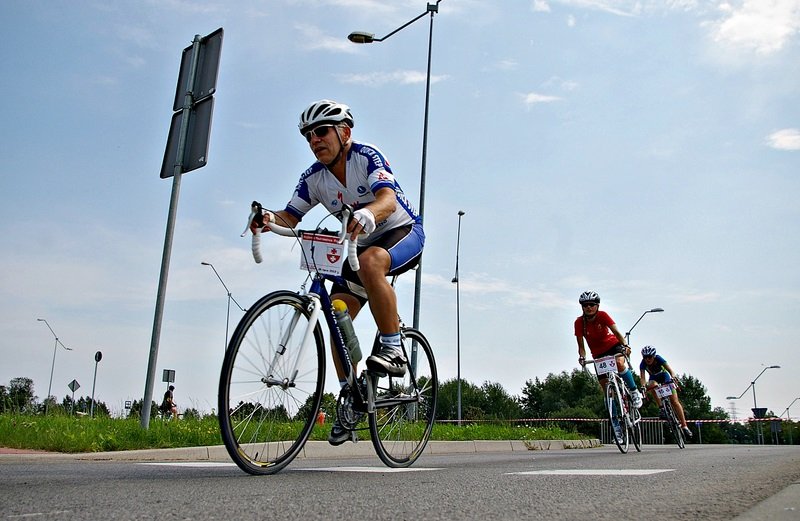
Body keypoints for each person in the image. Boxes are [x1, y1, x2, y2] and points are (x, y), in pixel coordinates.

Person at [252, 99, 424, 446]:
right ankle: (351, 396)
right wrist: (267, 220)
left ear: (344, 132)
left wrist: (370, 214)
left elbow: (388, 199)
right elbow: (290, 216)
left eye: (321, 132)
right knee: (336, 313)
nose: (315, 140)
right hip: (355, 247)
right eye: (309, 136)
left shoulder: (366, 156)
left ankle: (393, 347)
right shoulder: (313, 178)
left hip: (400, 232)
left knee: (375, 260)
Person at [575, 291, 643, 410]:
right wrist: (582, 358)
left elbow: (616, 332)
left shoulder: (603, 315)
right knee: (606, 387)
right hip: (598, 353)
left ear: (597, 306)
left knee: (619, 363)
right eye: (585, 305)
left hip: (613, 346)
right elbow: (581, 346)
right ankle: (615, 421)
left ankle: (634, 391)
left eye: (591, 304)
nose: (588, 307)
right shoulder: (579, 322)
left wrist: (625, 345)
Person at [639, 345, 692, 438]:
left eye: (649, 357)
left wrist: (673, 375)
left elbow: (669, 369)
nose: (647, 359)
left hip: (665, 376)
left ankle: (684, 426)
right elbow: (642, 378)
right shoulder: (643, 363)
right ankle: (661, 408)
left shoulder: (659, 358)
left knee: (675, 402)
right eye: (645, 357)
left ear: (654, 356)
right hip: (654, 378)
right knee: (652, 386)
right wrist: (643, 386)